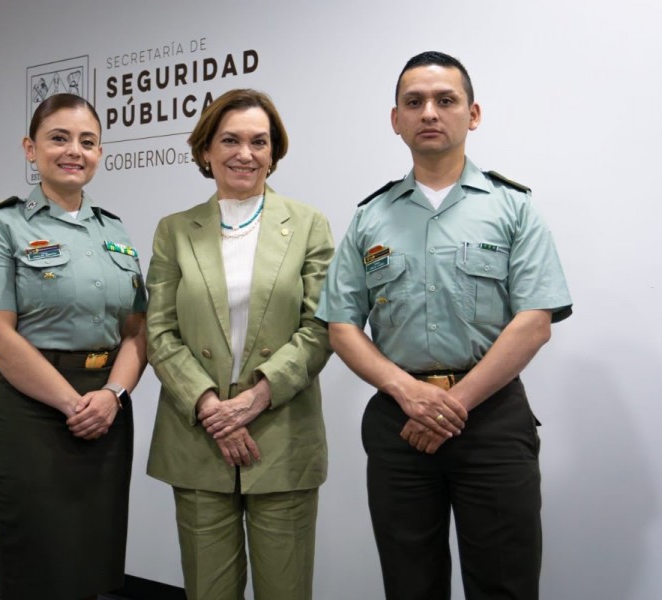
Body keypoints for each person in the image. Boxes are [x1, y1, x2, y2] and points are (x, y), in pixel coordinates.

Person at [316, 51, 572, 600]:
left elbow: (534, 321)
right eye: (415, 102)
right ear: (396, 120)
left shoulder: (513, 207)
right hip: (399, 419)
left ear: (472, 114)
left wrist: (451, 404)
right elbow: (341, 324)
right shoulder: (369, 216)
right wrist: (408, 393)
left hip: (493, 421)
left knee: (504, 582)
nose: (429, 112)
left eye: (445, 100)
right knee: (410, 584)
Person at [145, 88, 333, 600]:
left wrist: (253, 400)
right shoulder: (174, 231)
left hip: (281, 430)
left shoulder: (310, 225)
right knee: (208, 591)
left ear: (275, 153)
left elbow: (321, 327)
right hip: (198, 436)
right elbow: (158, 332)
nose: (244, 154)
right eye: (229, 139)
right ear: (206, 150)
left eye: (258, 142)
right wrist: (212, 408)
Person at [0, 93, 147, 600]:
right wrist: (73, 404)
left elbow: (138, 331)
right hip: (33, 411)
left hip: (108, 409)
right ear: (31, 148)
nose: (75, 151)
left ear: (100, 152)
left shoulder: (115, 230)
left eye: (87, 142)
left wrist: (112, 395)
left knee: (94, 558)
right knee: (37, 564)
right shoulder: (3, 224)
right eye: (59, 138)